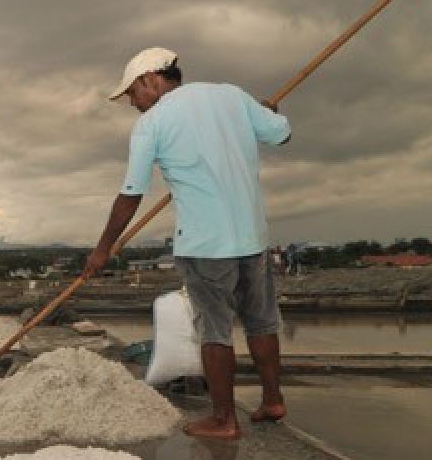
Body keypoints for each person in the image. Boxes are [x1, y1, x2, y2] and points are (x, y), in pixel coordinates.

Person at [84, 47, 290, 439]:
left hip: (205, 245)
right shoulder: (232, 96)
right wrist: (266, 112)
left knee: (214, 331)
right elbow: (281, 133)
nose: (133, 103)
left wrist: (102, 249)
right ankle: (273, 400)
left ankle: (223, 420)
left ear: (150, 79)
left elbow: (131, 194)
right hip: (252, 237)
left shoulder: (151, 123)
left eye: (132, 93)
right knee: (261, 322)